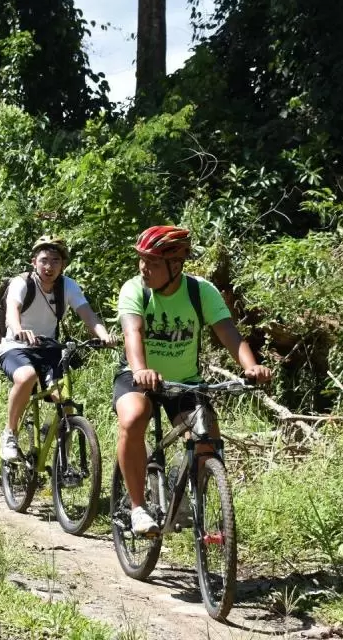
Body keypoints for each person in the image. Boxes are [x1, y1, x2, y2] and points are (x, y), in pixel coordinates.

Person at [114, 226, 272, 535]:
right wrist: (141, 370)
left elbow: (228, 333)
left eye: (154, 263)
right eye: (142, 260)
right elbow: (133, 332)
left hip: (184, 381)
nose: (145, 268)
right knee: (133, 419)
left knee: (207, 435)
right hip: (138, 375)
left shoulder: (200, 291)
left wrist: (252, 367)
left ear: (176, 266)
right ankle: (137, 508)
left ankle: (185, 491)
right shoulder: (135, 289)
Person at [0, 236, 113, 462]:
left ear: (63, 265)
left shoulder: (68, 285)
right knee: (26, 376)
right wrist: (19, 329)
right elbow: (12, 309)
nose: (49, 266)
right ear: (34, 262)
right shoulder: (22, 283)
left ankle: (62, 458)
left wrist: (104, 335)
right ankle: (9, 434)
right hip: (16, 346)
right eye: (43, 260)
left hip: (49, 349)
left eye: (55, 261)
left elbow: (87, 314)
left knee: (64, 399)